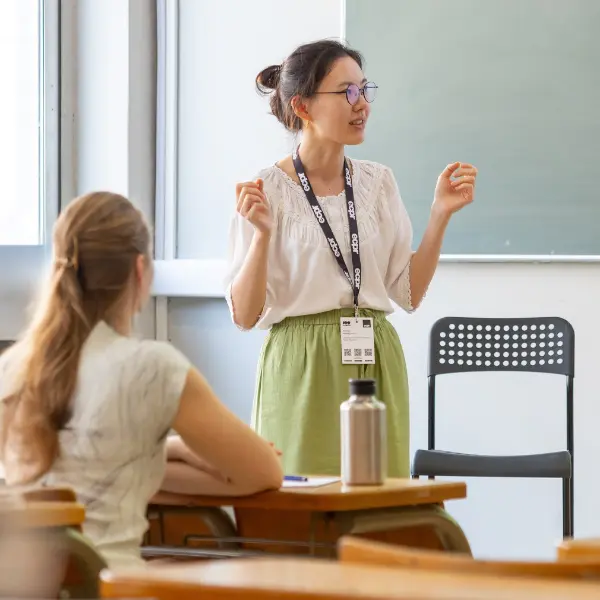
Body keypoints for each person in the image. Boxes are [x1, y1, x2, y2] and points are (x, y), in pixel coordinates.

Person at [225, 39, 477, 478]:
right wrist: (262, 235)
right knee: (302, 514)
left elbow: (409, 293)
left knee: (376, 507)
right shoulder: (263, 190)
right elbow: (244, 316)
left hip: (374, 359)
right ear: (302, 107)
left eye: (365, 90)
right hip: (301, 364)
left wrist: (439, 216)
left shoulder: (379, 182)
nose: (362, 104)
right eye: (347, 92)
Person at [0, 192, 283, 568]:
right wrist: (171, 448)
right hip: (114, 587)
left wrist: (162, 451)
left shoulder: (14, 367)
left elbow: (74, 461)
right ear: (140, 270)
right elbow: (263, 473)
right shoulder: (153, 368)